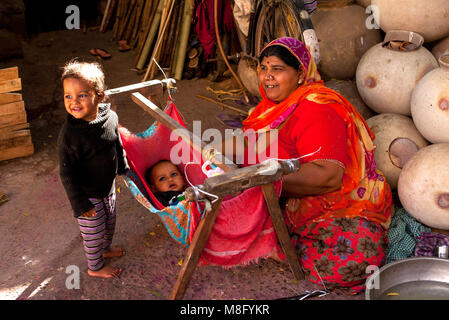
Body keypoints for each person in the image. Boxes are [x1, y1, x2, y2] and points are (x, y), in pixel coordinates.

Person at [240, 37, 394, 293]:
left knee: (352, 260)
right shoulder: (271, 108)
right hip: (289, 195)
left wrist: (259, 182)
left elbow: (329, 177)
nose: (267, 77)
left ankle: (277, 238)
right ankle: (275, 235)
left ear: (301, 73)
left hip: (337, 203)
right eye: (264, 68)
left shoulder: (317, 108)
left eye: (277, 69)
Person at [58, 60, 129, 279]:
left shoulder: (110, 117)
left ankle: (105, 250)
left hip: (108, 190)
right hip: (87, 197)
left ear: (98, 95)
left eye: (81, 95)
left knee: (109, 224)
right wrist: (79, 203)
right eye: (68, 96)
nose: (74, 102)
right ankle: (95, 267)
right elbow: (67, 172)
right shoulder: (70, 135)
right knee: (93, 234)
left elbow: (117, 144)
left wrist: (123, 166)